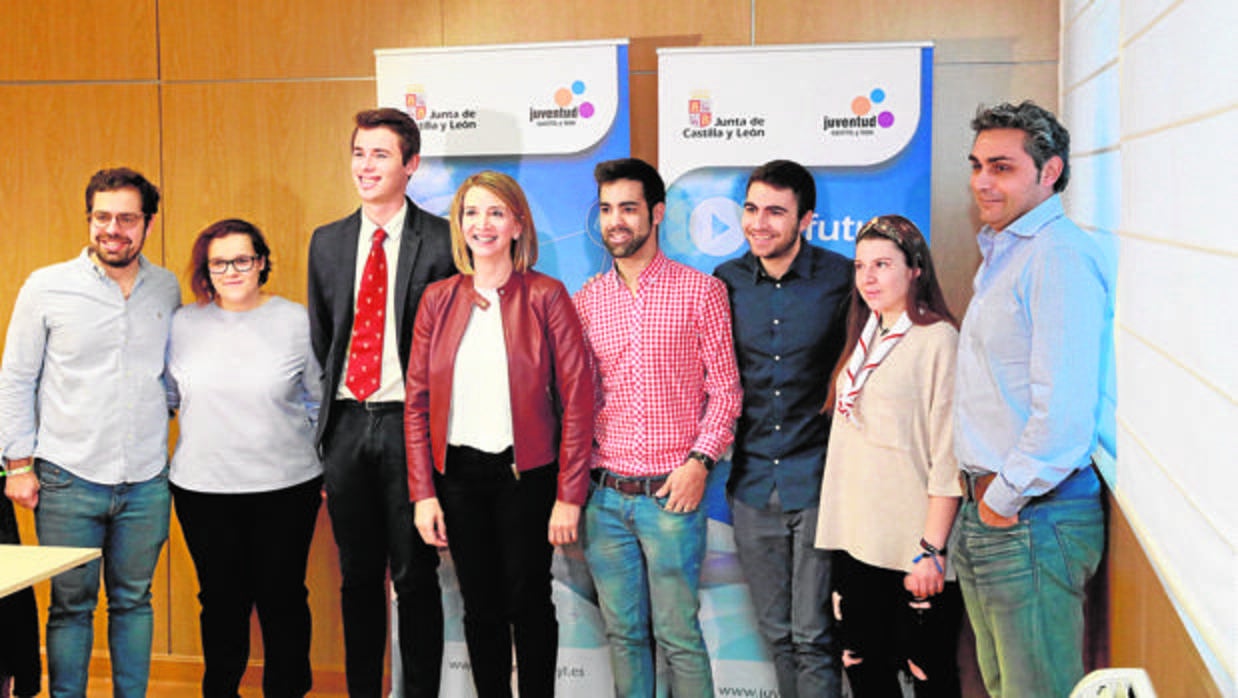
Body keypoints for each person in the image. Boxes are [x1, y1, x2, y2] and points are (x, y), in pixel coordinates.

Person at [405, 171, 593, 697]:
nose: (481, 224)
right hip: (458, 478)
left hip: (527, 477)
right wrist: (423, 494)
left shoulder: (547, 296)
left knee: (529, 602)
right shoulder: (438, 300)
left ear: (517, 223)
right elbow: (416, 404)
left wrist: (568, 496)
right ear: (458, 224)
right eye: (470, 213)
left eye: (494, 213)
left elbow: (578, 402)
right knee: (479, 607)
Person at [0, 167, 181, 698]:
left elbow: (172, 373)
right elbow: (15, 377)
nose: (113, 229)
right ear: (89, 219)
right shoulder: (46, 286)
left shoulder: (166, 287)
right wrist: (18, 463)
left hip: (147, 480)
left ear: (147, 223)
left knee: (134, 601)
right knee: (71, 606)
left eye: (127, 218)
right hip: (65, 477)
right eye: (102, 216)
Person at [952, 101, 1109, 698]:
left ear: (1050, 172)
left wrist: (1003, 498)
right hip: (999, 511)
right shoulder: (1005, 252)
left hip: (1033, 516)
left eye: (1002, 167)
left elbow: (1064, 411)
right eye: (977, 166)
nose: (982, 182)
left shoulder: (1057, 256)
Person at [573, 157, 743, 697]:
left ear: (657, 213)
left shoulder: (700, 292)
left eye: (628, 208)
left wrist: (700, 463)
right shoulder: (585, 301)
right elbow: (575, 403)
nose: (615, 221)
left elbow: (727, 391)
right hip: (604, 501)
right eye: (605, 209)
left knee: (677, 636)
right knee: (624, 636)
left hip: (673, 498)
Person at [307, 108, 455, 698]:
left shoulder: (444, 240)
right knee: (357, 578)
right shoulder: (329, 242)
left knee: (416, 579)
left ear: (411, 165)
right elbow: (326, 338)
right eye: (359, 153)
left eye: (381, 155)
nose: (366, 166)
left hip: (408, 429)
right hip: (346, 425)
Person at [167, 219, 323, 697]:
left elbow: (318, 400)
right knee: (220, 602)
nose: (232, 270)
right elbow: (171, 396)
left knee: (283, 599)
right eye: (219, 262)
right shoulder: (181, 324)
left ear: (261, 263)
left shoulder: (296, 320)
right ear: (206, 270)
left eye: (243, 259)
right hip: (203, 490)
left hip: (286, 488)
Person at [714, 159, 851, 698]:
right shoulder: (724, 282)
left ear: (806, 219)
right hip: (749, 485)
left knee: (814, 636)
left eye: (775, 211)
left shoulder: (841, 278)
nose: (759, 223)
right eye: (751, 209)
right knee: (777, 635)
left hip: (818, 481)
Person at [815, 215, 964, 697]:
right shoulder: (865, 334)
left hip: (913, 550)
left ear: (915, 269)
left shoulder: (937, 339)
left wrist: (931, 550)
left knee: (928, 675)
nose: (869, 277)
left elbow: (947, 452)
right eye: (861, 266)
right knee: (864, 670)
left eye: (883, 264)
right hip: (858, 543)